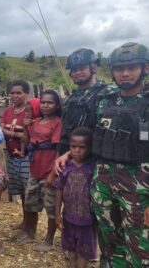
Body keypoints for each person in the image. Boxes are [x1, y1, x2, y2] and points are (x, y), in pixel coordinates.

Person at [56, 42, 149, 267]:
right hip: (103, 181)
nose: (125, 73)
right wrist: (68, 153)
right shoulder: (104, 101)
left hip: (139, 185)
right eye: (119, 68)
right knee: (110, 241)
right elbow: (91, 136)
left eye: (132, 67)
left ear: (145, 68)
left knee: (140, 246)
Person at [19, 89, 62, 252]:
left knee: (51, 208)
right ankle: (30, 233)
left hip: (49, 171)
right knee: (30, 203)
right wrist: (25, 127)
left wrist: (54, 172)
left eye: (50, 102)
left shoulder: (57, 122)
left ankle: (49, 240)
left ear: (57, 105)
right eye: (43, 102)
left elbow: (57, 148)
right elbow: (27, 141)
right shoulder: (35, 122)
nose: (45, 105)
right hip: (34, 170)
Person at [54, 127, 97, 268]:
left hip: (88, 220)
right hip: (68, 217)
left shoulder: (93, 167)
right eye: (73, 146)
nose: (77, 151)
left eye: (82, 147)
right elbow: (59, 189)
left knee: (84, 253)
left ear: (90, 148)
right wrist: (57, 214)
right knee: (71, 250)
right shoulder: (65, 166)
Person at [0, 80, 31, 231]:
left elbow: (30, 134)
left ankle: (30, 226)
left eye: (19, 92)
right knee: (21, 192)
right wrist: (15, 134)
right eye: (12, 93)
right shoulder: (7, 111)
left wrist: (12, 133)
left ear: (26, 93)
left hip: (26, 156)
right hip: (12, 156)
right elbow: (1, 129)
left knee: (28, 191)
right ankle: (25, 222)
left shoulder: (30, 112)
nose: (15, 96)